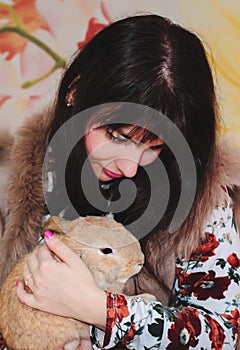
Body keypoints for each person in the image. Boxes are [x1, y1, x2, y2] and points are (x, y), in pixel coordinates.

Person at [0, 14, 239, 350]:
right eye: (116, 135)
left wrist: (98, 310)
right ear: (75, 92)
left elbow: (221, 335)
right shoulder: (14, 177)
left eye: (154, 147)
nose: (129, 168)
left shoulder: (206, 199)